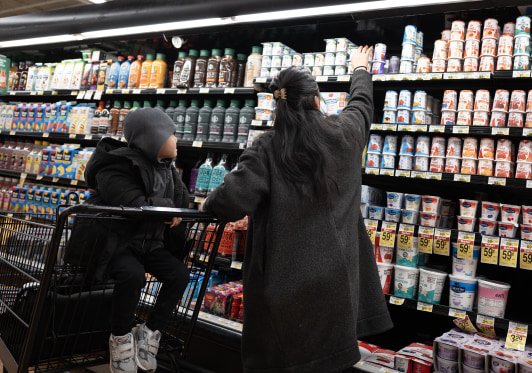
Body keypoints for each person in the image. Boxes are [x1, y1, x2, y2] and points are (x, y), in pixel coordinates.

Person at [202, 46, 393, 372]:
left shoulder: (267, 147)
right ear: (317, 100)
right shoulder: (346, 135)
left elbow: (228, 203)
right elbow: (362, 106)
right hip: (336, 295)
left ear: (278, 103)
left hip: (282, 298)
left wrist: (207, 202)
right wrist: (360, 69)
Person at [83, 108, 190, 373]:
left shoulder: (168, 170)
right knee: (133, 275)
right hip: (116, 243)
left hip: (150, 243)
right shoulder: (115, 166)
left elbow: (182, 202)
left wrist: (174, 210)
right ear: (152, 137)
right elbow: (134, 206)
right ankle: (120, 337)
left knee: (179, 275)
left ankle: (149, 331)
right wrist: (169, 209)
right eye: (171, 135)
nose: (177, 140)